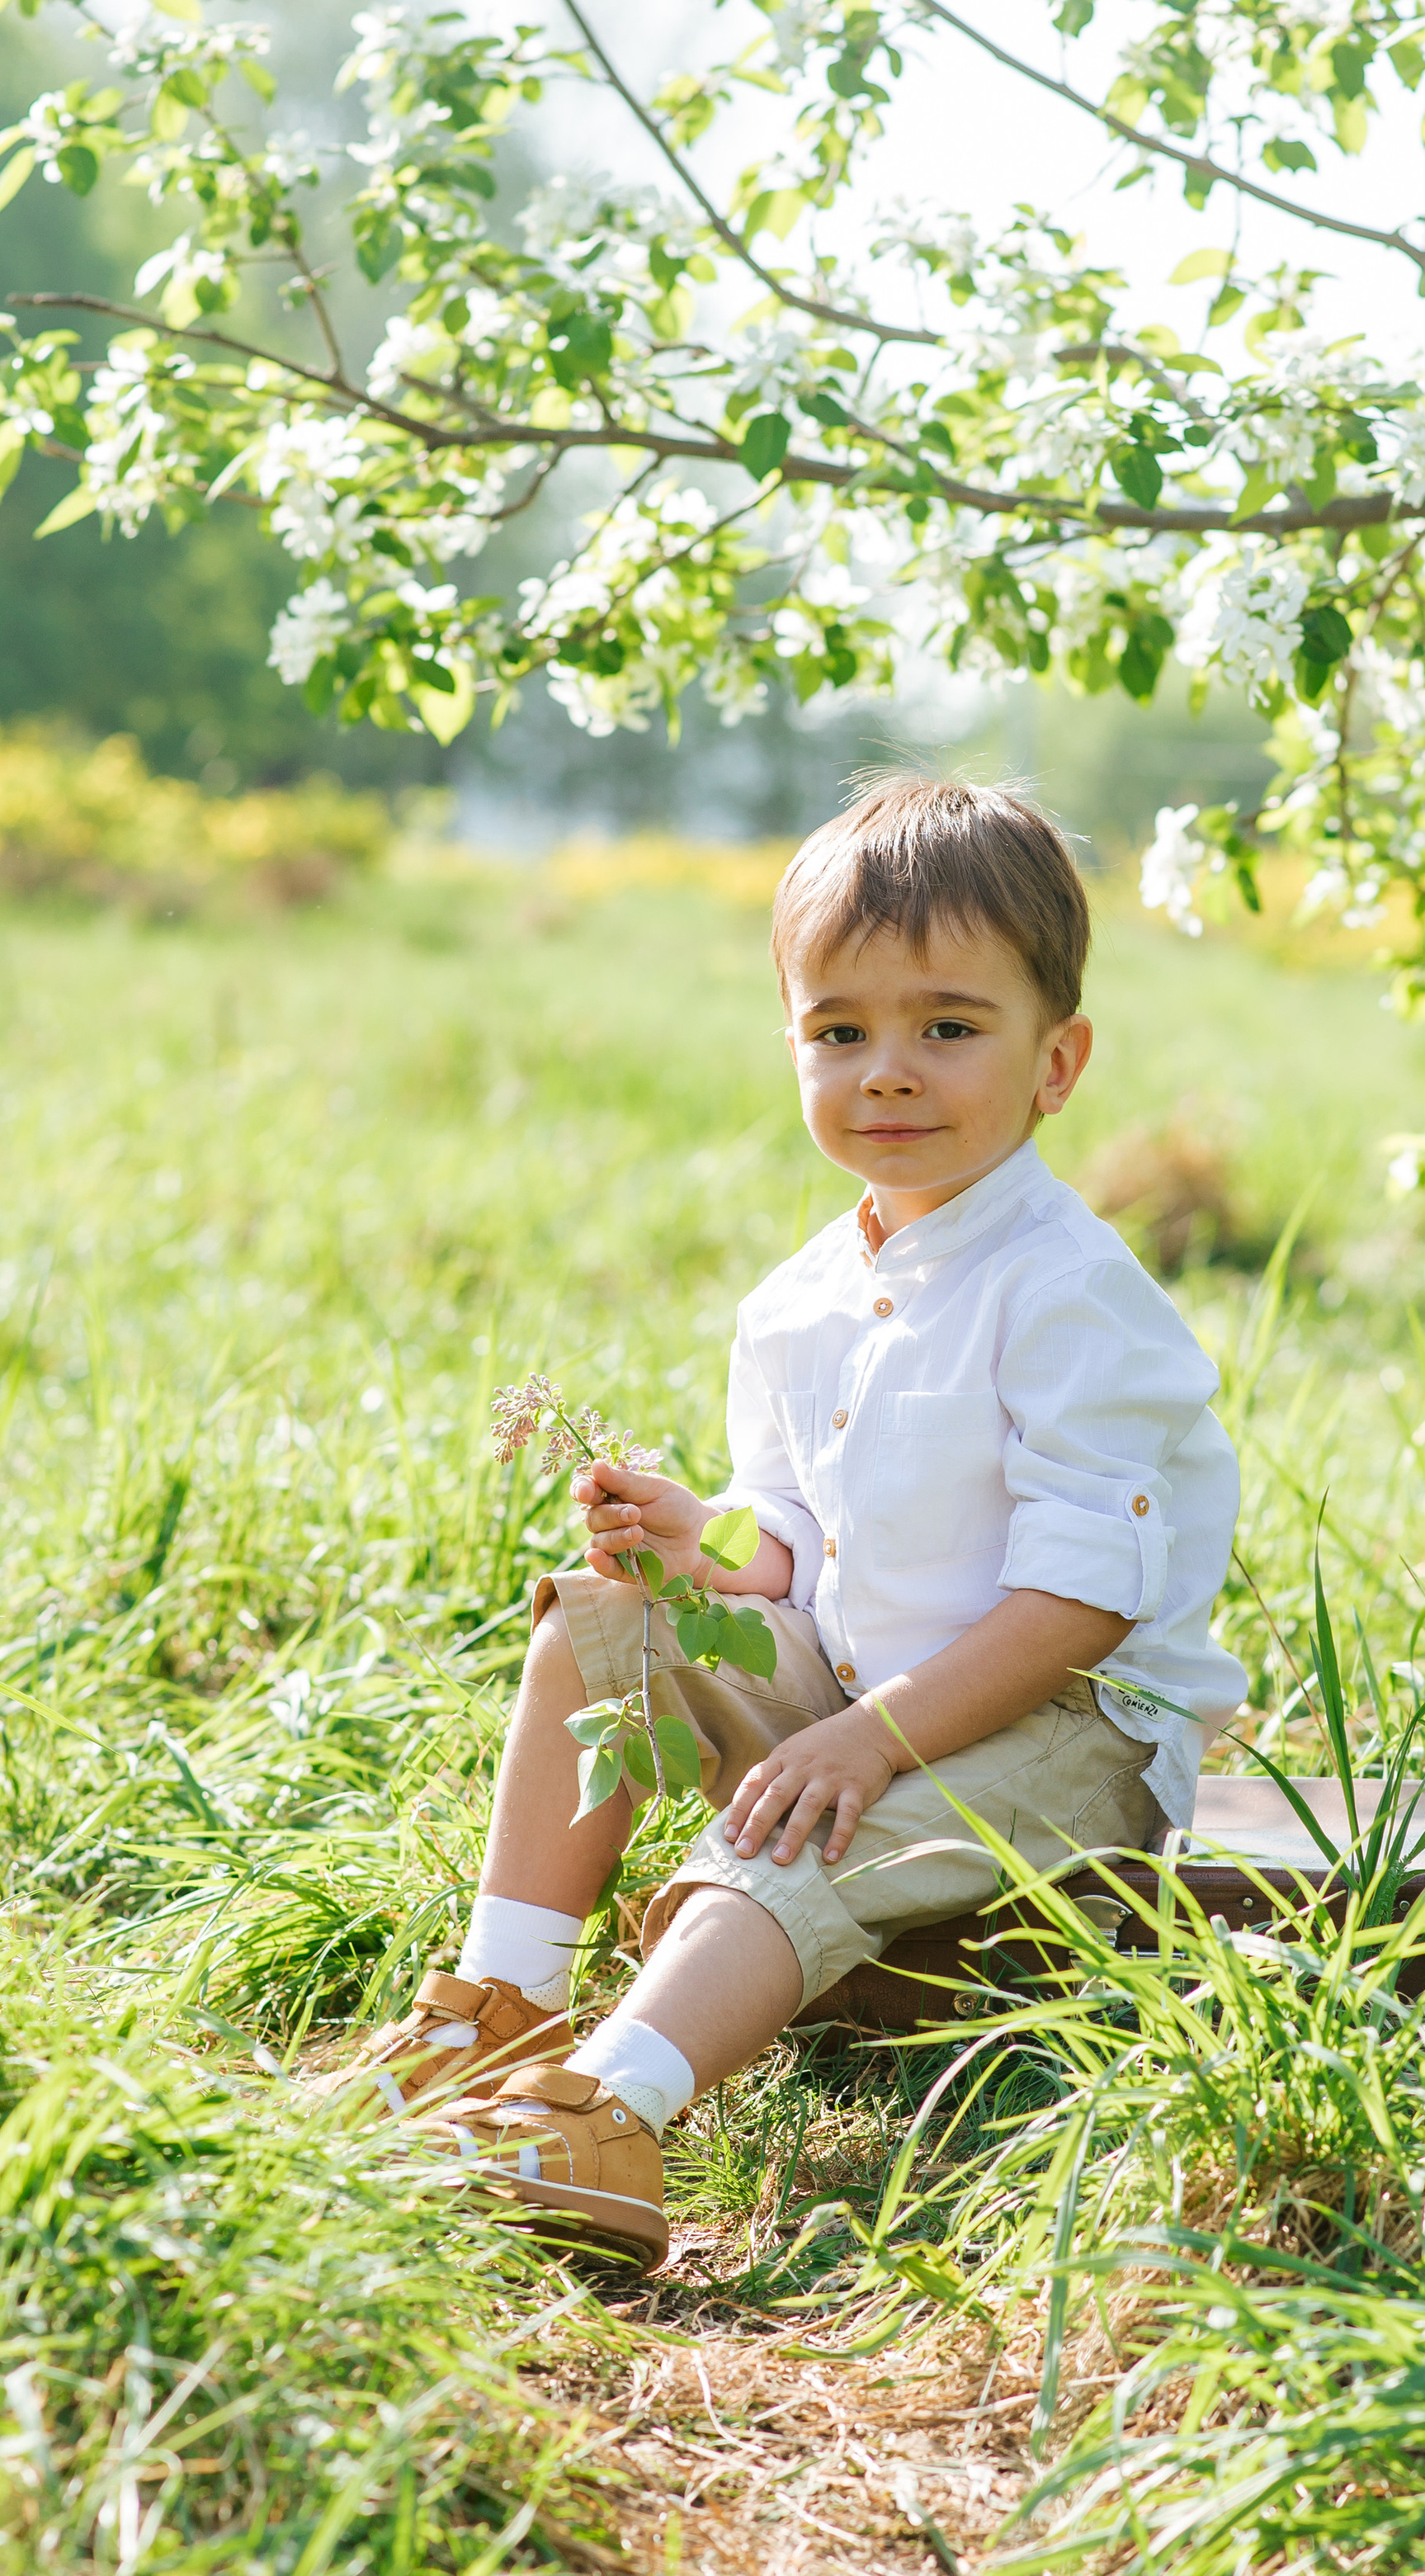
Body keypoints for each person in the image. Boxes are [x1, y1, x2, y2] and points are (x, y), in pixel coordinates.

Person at [327, 772, 1246, 2266]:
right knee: (597, 1624)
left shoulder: (1071, 1293)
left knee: (801, 1832)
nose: (889, 1071)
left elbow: (1080, 1605)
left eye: (948, 1028)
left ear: (1056, 1061)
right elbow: (805, 1550)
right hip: (869, 1694)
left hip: (1066, 1741)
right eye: (840, 1031)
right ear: (794, 1047)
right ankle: (504, 2004)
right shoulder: (800, 1298)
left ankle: (613, 2113)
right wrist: (707, 1548)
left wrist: (861, 1738)